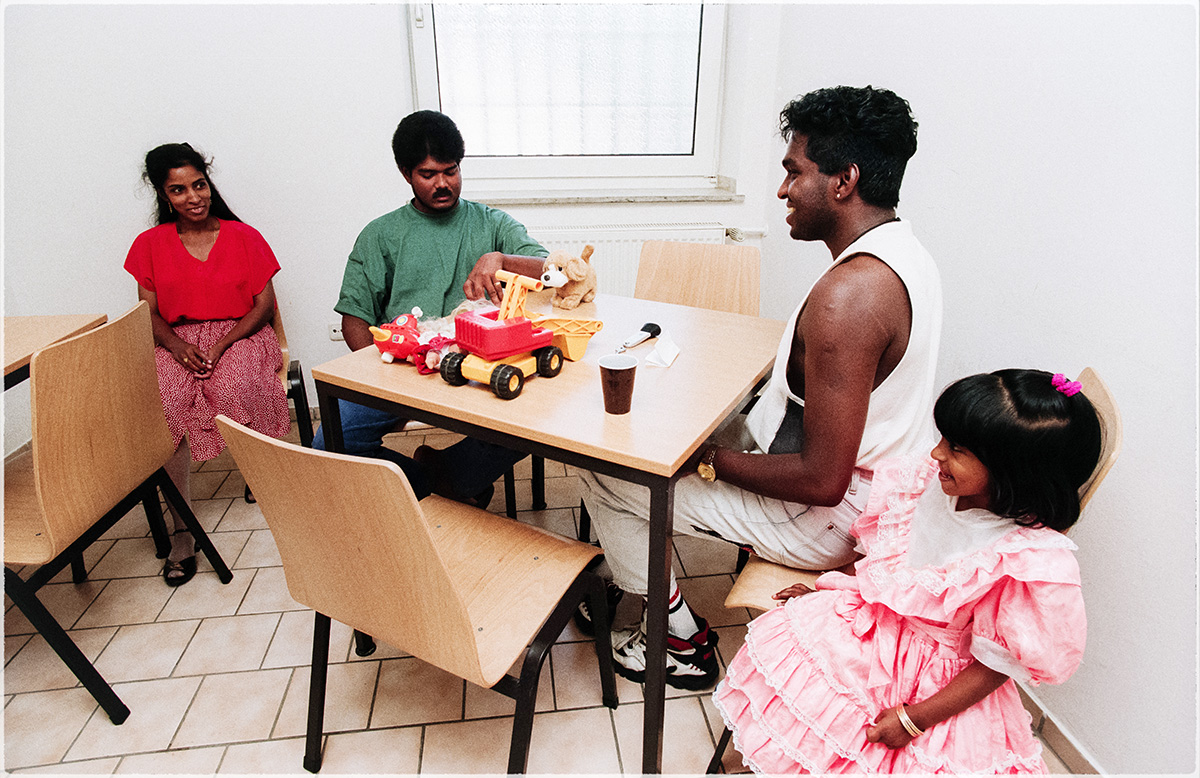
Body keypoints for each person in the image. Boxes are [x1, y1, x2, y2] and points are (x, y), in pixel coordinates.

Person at [579, 85, 943, 690]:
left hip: (829, 517)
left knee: (606, 470)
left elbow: (822, 480)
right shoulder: (905, 254)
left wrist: (706, 460)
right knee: (664, 424)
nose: (782, 191)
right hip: (876, 489)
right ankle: (633, 570)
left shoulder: (850, 298)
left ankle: (676, 639)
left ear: (844, 181)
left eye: (794, 172)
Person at [712, 369, 1102, 774]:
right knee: (804, 684)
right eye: (943, 439)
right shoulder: (928, 484)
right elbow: (888, 564)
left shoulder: (1023, 559)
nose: (936, 454)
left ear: (1015, 471)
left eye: (956, 449)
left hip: (936, 681)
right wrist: (831, 594)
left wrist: (915, 719)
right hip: (874, 628)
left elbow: (993, 667)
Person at [312, 110, 550, 505]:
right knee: (330, 444)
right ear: (406, 173)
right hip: (405, 368)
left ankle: (453, 477)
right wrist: (385, 370)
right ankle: (442, 481)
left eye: (450, 171)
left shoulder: (491, 223)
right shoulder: (380, 235)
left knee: (540, 416)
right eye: (428, 174)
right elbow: (355, 320)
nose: (442, 183)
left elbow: (553, 271)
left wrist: (502, 259)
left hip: (479, 365)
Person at [124, 142, 290, 586]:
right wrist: (177, 345)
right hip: (177, 339)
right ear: (163, 195)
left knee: (235, 385)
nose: (193, 197)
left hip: (242, 332)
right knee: (166, 401)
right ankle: (183, 529)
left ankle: (260, 474)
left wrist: (222, 343)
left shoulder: (244, 236)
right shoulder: (149, 245)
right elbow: (148, 314)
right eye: (178, 190)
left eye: (199, 185)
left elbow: (263, 307)